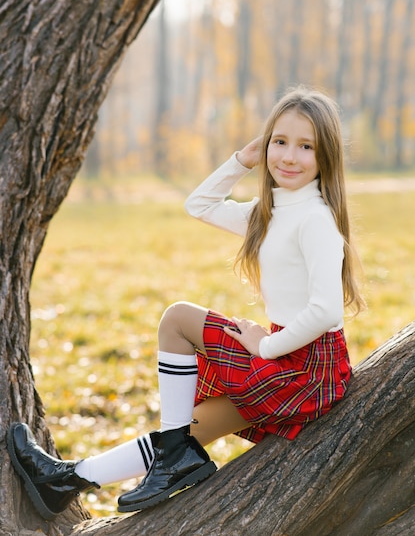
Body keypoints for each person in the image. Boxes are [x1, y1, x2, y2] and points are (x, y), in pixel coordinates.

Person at [8, 86, 365, 520]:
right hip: (288, 356)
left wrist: (264, 347)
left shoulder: (315, 219)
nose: (289, 157)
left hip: (308, 369)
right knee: (189, 427)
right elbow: (199, 204)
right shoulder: (269, 213)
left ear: (325, 156)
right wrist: (241, 160)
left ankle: (164, 457)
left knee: (178, 319)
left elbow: (326, 311)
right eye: (280, 141)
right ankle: (65, 481)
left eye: (306, 147)